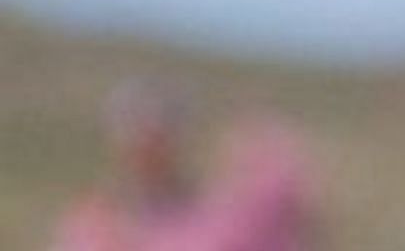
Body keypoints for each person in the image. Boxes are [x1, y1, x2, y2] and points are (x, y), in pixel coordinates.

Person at [47, 78, 312, 251]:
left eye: (159, 132)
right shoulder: (96, 223)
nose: (148, 146)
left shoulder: (218, 217)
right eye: (136, 130)